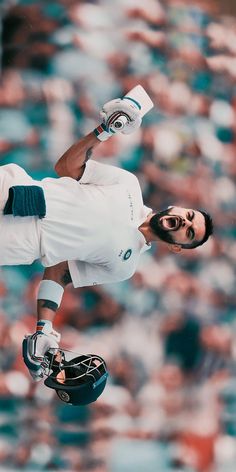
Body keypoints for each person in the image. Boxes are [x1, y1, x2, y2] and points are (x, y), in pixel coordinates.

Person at [0, 93, 213, 380]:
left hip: (18, 242)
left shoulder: (124, 267)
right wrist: (104, 131)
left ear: (178, 247)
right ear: (178, 207)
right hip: (15, 188)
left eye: (189, 232)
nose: (184, 223)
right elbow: (65, 168)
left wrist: (44, 328)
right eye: (189, 216)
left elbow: (59, 272)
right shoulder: (129, 184)